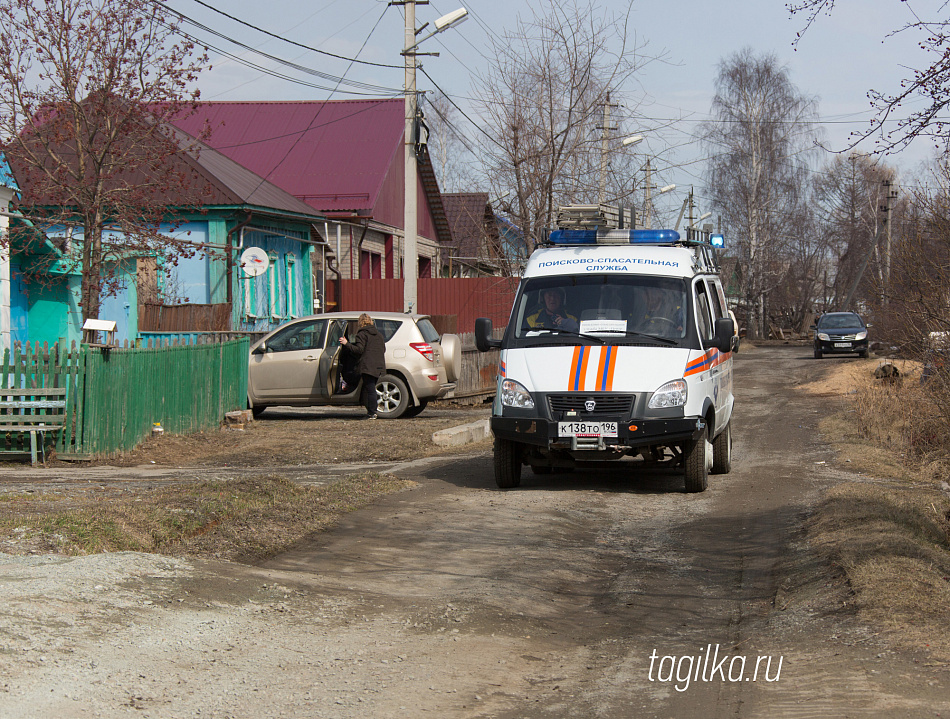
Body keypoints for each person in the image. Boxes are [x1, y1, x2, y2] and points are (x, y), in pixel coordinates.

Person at [339, 313, 387, 419]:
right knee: (368, 388)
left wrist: (347, 343)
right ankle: (370, 411)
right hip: (378, 365)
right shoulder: (378, 335)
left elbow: (359, 350)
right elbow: (383, 349)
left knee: (370, 389)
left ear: (360, 323)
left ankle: (372, 413)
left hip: (367, 366)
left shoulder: (362, 334)